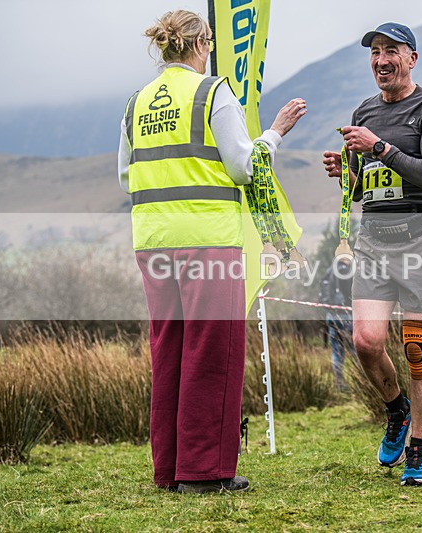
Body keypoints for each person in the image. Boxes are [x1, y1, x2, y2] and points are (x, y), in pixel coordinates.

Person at [117, 10, 306, 493]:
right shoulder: (212, 91)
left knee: (170, 350)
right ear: (203, 45)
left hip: (153, 241)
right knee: (212, 351)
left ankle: (170, 470)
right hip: (207, 239)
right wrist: (277, 132)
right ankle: (204, 473)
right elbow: (243, 166)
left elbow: (125, 175)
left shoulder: (135, 103)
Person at [322, 22, 422, 486]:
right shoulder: (364, 111)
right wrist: (345, 172)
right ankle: (396, 409)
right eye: (375, 52)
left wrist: (378, 147)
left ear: (411, 58)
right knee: (366, 341)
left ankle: (419, 453)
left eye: (390, 50)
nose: (381, 60)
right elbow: (361, 190)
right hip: (375, 240)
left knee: (417, 347)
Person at [318, 257, 356, 392]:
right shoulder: (345, 271)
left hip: (331, 316)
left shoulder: (329, 271)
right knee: (355, 349)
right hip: (346, 315)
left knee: (336, 352)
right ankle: (363, 381)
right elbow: (352, 293)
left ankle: (340, 383)